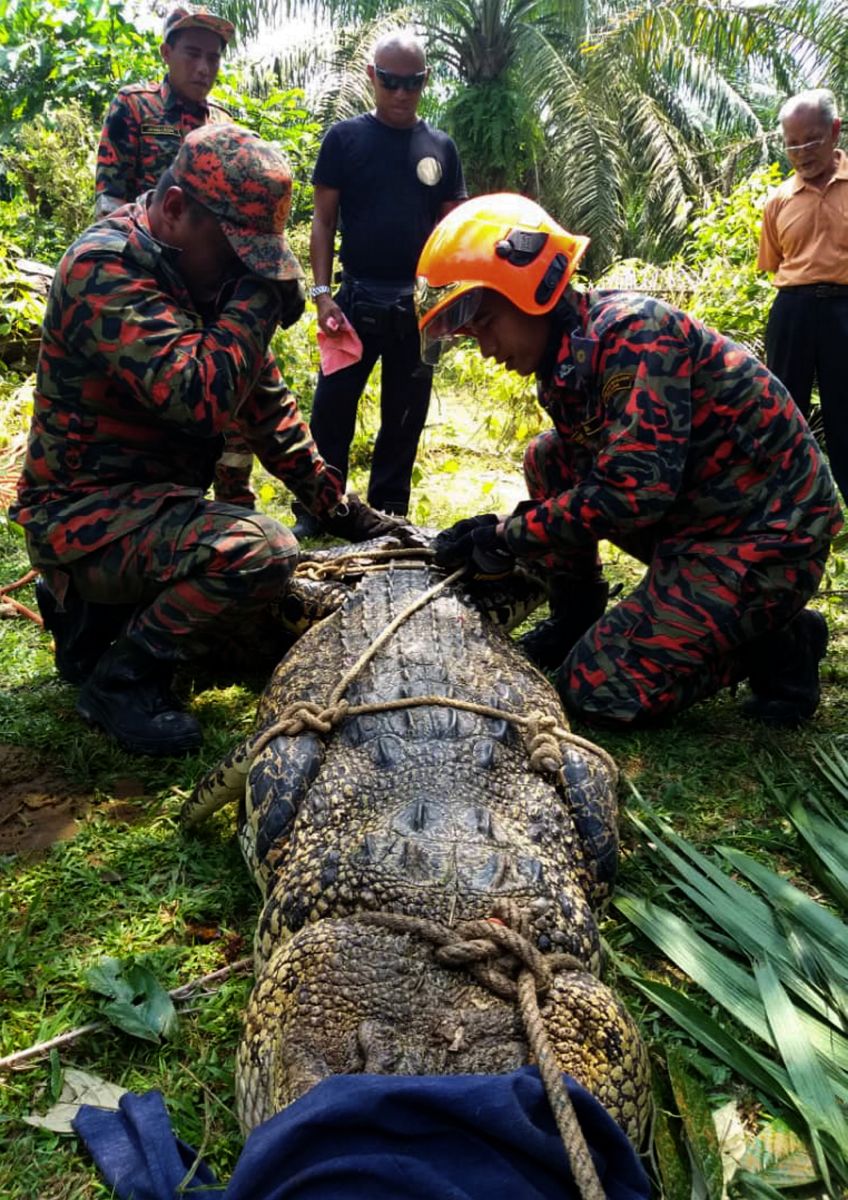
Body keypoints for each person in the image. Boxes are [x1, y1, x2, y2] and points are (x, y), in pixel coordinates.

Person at [9, 124, 410, 758]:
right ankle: (120, 678)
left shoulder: (202, 282)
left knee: (278, 623)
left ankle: (100, 626)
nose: (245, 274)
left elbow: (270, 414)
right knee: (265, 551)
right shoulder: (104, 266)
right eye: (234, 254)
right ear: (174, 211)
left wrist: (353, 515)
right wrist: (257, 296)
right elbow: (198, 397)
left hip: (151, 514)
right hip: (85, 519)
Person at [416, 193, 842, 730]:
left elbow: (632, 493)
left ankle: (779, 641)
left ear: (531, 291)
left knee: (596, 691)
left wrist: (508, 535)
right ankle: (576, 617)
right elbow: (597, 475)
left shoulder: (632, 334)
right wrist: (512, 534)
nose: (485, 349)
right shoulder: (569, 357)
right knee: (549, 458)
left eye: (485, 324)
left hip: (770, 538)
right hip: (700, 521)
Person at [292, 30, 467, 538]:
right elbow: (322, 222)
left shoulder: (441, 147)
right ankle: (320, 509)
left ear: (424, 82)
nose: (400, 93)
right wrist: (322, 295)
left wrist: (449, 305)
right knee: (331, 411)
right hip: (354, 301)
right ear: (372, 76)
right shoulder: (344, 140)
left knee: (405, 417)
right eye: (389, 81)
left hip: (416, 308)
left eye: (411, 83)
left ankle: (388, 513)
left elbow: (451, 232)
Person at [95, 3, 256, 508]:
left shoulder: (226, 124)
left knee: (233, 397)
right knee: (154, 402)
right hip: (146, 289)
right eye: (192, 54)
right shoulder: (134, 108)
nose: (204, 68)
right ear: (167, 53)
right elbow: (110, 203)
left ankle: (232, 504)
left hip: (209, 288)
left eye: (213, 57)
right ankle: (150, 504)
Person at [758, 87, 848, 505]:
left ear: (835, 130)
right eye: (791, 144)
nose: (801, 152)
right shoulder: (777, 201)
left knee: (845, 417)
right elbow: (775, 263)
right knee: (782, 411)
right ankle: (782, 509)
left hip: (844, 310)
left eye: (810, 140)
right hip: (792, 311)